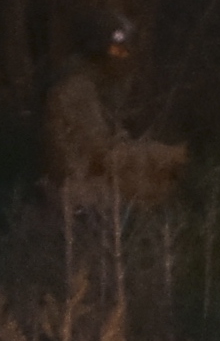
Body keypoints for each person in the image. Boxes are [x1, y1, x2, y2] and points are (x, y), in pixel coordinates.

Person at [45, 18, 188, 221]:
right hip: (76, 194)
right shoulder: (75, 90)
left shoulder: (94, 89)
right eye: (117, 52)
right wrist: (161, 158)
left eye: (125, 52)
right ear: (98, 54)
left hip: (87, 184)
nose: (122, 59)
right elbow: (101, 154)